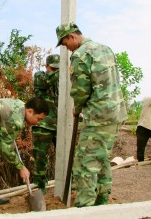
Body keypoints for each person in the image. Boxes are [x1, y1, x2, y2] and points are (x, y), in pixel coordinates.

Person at [55, 22, 127, 207]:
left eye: (64, 44)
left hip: (98, 115)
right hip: (115, 113)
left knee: (85, 162)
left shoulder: (81, 55)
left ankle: (84, 207)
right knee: (101, 158)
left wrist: (77, 108)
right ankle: (102, 201)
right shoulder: (105, 49)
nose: (66, 49)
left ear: (72, 36)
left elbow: (80, 89)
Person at [32, 54, 60, 193]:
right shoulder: (40, 76)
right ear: (47, 67)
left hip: (59, 125)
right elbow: (47, 81)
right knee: (40, 158)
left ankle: (69, 181)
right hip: (43, 124)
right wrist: (63, 71)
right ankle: (39, 186)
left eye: (58, 68)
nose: (56, 71)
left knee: (65, 155)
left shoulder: (61, 81)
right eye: (53, 68)